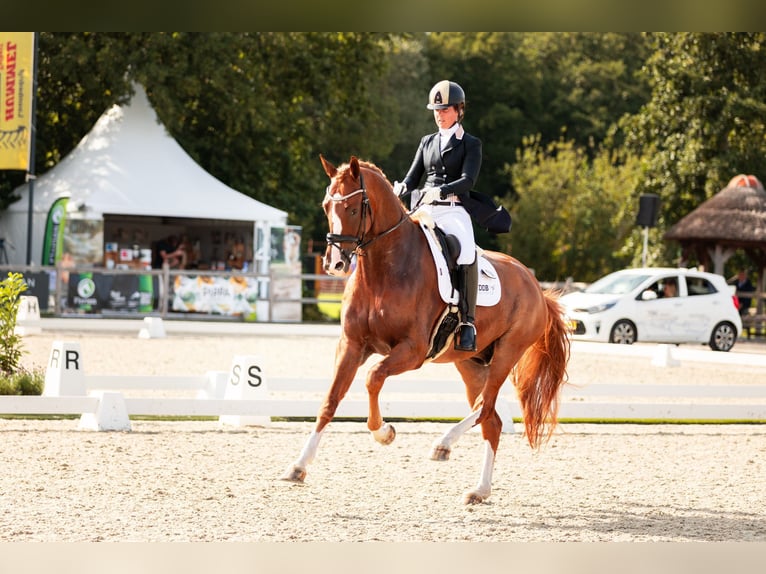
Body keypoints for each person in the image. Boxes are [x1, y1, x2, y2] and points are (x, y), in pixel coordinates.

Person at [394, 80, 482, 352]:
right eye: (436, 110)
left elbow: (468, 180)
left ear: (458, 110)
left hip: (453, 210)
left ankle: (467, 321)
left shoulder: (470, 144)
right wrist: (400, 188)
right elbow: (412, 177)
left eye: (445, 110)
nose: (439, 115)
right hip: (424, 208)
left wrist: (441, 191)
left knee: (467, 252)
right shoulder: (427, 142)